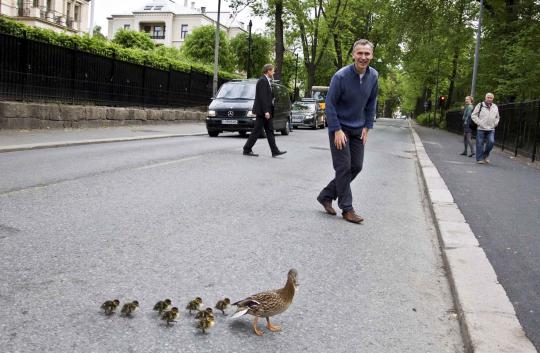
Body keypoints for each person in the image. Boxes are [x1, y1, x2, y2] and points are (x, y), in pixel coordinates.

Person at [316, 39, 378, 224]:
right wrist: (336, 130)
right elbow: (330, 104)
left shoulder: (373, 76)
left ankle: (326, 195)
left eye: (367, 54)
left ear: (371, 56)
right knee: (343, 167)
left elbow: (371, 103)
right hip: (340, 129)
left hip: (358, 129)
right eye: (360, 53)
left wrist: (367, 126)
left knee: (356, 166)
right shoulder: (341, 76)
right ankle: (347, 208)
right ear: (353, 54)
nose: (363, 57)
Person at [243, 64, 286, 158]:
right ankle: (247, 148)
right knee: (257, 131)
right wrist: (266, 111)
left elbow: (267, 97)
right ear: (268, 71)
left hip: (266, 111)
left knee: (270, 131)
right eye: (273, 71)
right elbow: (262, 98)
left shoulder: (267, 80)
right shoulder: (262, 81)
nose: (273, 72)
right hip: (263, 112)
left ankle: (275, 151)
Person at [471, 92, 500, 164]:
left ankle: (485, 155)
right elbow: (473, 115)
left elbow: (497, 117)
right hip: (481, 128)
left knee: (491, 142)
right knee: (479, 143)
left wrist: (495, 123)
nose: (489, 99)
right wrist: (480, 123)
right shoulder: (480, 105)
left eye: (491, 98)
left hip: (491, 128)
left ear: (493, 99)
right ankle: (480, 159)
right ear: (485, 98)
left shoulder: (495, 106)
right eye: (488, 97)